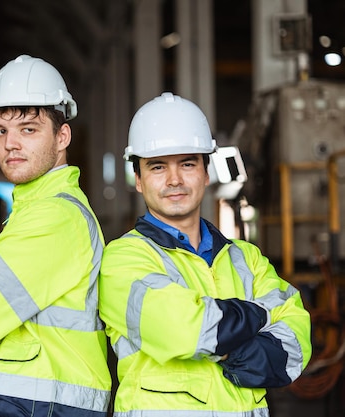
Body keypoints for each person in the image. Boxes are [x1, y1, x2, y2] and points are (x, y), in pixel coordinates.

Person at [99, 92, 312, 416]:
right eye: (158, 167)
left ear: (205, 172)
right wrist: (259, 314)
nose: (174, 180)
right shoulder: (123, 258)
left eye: (187, 163)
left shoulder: (246, 257)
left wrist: (231, 346)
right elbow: (183, 330)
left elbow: (296, 338)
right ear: (138, 180)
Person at [0, 54, 111, 417]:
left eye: (28, 129)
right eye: (1, 131)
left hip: (40, 407)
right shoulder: (31, 211)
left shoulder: (55, 217)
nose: (10, 143)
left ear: (62, 136)